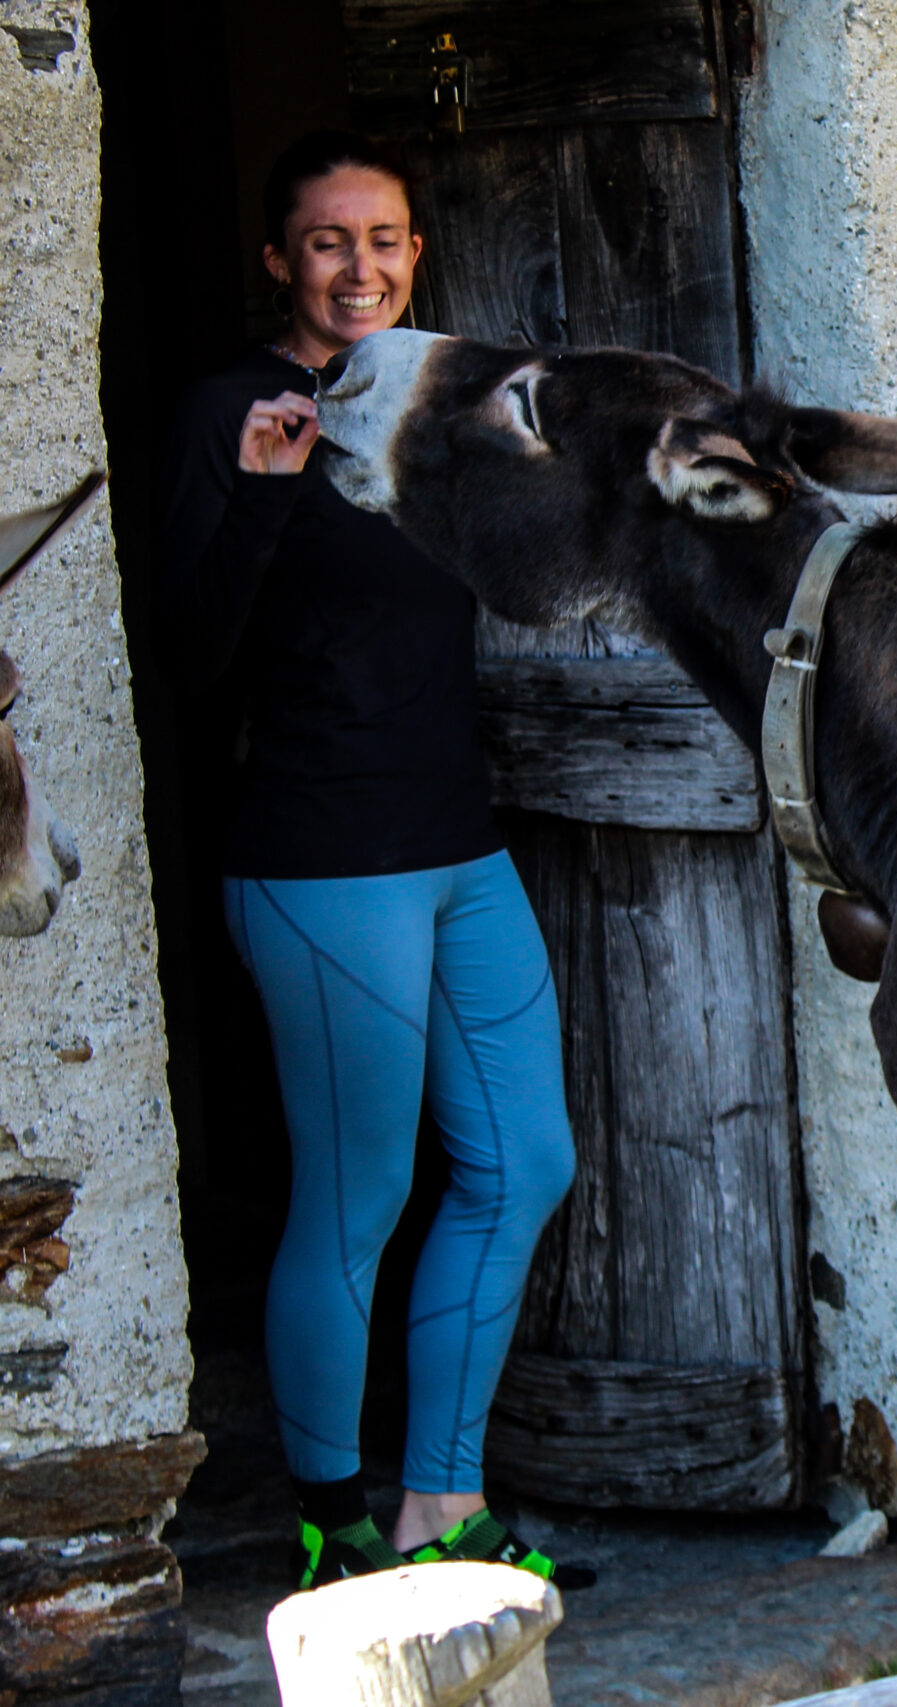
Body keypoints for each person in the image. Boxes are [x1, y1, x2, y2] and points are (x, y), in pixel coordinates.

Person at [156, 130, 586, 1591]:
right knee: (355, 1200)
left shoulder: (434, 407)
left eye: (388, 238)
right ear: (279, 259)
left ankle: (439, 1506)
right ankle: (333, 1520)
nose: (363, 267)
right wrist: (269, 487)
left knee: (524, 1161)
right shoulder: (227, 409)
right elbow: (189, 660)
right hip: (320, 859)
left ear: (418, 254)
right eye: (330, 241)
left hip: (457, 842)